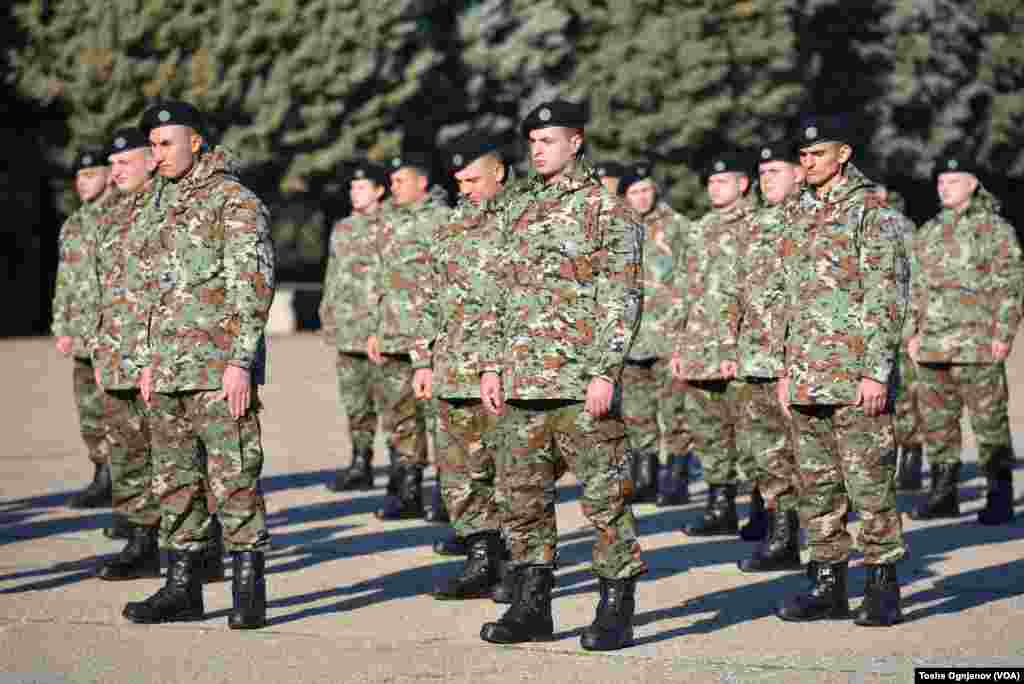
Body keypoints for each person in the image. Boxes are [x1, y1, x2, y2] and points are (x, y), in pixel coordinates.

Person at [476, 99, 646, 651]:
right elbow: (498, 292)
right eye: (532, 141)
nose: (537, 149)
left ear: (576, 142)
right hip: (524, 384)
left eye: (548, 140)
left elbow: (622, 296)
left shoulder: (606, 208)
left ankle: (615, 606)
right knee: (522, 501)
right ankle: (532, 605)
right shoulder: (519, 209)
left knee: (605, 499)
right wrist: (492, 363)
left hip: (579, 385)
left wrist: (605, 371)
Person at [121, 101, 275, 630]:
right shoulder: (155, 205)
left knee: (234, 478)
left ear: (196, 143)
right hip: (164, 370)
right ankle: (183, 588)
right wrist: (143, 361)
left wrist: (240, 361)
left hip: (217, 371)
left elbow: (252, 284)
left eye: (167, 142)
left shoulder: (232, 200)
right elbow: (144, 292)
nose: (157, 153)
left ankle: (248, 589)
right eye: (153, 144)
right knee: (175, 483)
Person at [776, 116, 907, 627]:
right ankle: (827, 585)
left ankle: (882, 586)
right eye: (802, 155)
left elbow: (886, 295)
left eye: (817, 154)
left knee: (869, 484)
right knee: (818, 489)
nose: (807, 162)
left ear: (844, 154)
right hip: (808, 374)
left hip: (855, 377)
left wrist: (876, 371)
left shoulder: (872, 212)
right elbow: (790, 298)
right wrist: (786, 369)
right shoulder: (798, 212)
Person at [413, 135, 516, 601]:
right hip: (453, 370)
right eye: (460, 182)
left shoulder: (524, 223)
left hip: (509, 372)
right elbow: (428, 298)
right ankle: (481, 558)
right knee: (459, 471)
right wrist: (422, 359)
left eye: (474, 179)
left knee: (513, 471)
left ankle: (520, 563)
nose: (466, 188)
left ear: (499, 172)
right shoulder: (450, 227)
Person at [906, 150, 1022, 525]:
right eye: (940, 182)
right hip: (933, 345)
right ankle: (943, 493)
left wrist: (1003, 333)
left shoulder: (994, 229)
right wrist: (911, 333)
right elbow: (915, 287)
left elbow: (1009, 285)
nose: (944, 188)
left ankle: (999, 494)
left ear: (972, 184)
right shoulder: (929, 231)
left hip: (978, 345)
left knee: (989, 423)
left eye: (953, 181)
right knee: (937, 424)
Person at [671, 153, 763, 539]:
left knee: (752, 434)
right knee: (709, 432)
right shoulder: (700, 229)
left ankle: (764, 508)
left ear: (743, 184)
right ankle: (720, 505)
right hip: (698, 347)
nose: (713, 188)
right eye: (710, 182)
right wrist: (677, 343)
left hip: (739, 350)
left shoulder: (758, 225)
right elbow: (684, 288)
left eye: (722, 181)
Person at [366, 153, 451, 520]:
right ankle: (408, 490)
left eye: (400, 181)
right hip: (393, 334)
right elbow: (382, 279)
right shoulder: (388, 221)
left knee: (440, 419)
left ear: (421, 183)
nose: (393, 187)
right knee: (399, 416)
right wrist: (375, 328)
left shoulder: (443, 220)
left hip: (431, 337)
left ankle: (451, 496)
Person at [735, 141, 806, 573]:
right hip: (756, 359)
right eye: (762, 173)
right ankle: (781, 538)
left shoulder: (811, 220)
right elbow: (739, 293)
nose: (767, 180)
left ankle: (824, 548)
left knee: (810, 457)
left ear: (799, 173)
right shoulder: (754, 225)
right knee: (768, 454)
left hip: (800, 361)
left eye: (776, 171)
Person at [617, 163, 694, 506]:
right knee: (637, 413)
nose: (642, 197)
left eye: (646, 190)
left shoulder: (677, 226)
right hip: (632, 337)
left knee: (674, 411)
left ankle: (675, 479)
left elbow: (692, 275)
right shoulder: (618, 229)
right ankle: (644, 477)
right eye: (634, 192)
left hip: (668, 334)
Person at [320, 162, 391, 492]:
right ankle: (360, 462)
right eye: (352, 187)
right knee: (355, 402)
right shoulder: (343, 228)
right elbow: (334, 273)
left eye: (361, 187)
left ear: (379, 190)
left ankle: (402, 471)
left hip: (381, 330)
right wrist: (327, 310)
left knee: (392, 402)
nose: (354, 193)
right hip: (348, 329)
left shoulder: (392, 225)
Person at [53, 146, 115, 509]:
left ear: (108, 174)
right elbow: (65, 280)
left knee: (124, 410)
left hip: (116, 333)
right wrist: (62, 325)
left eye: (89, 174)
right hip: (82, 333)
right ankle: (102, 474)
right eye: (78, 177)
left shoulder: (124, 215)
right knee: (90, 409)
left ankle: (131, 482)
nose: (81, 183)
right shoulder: (73, 224)